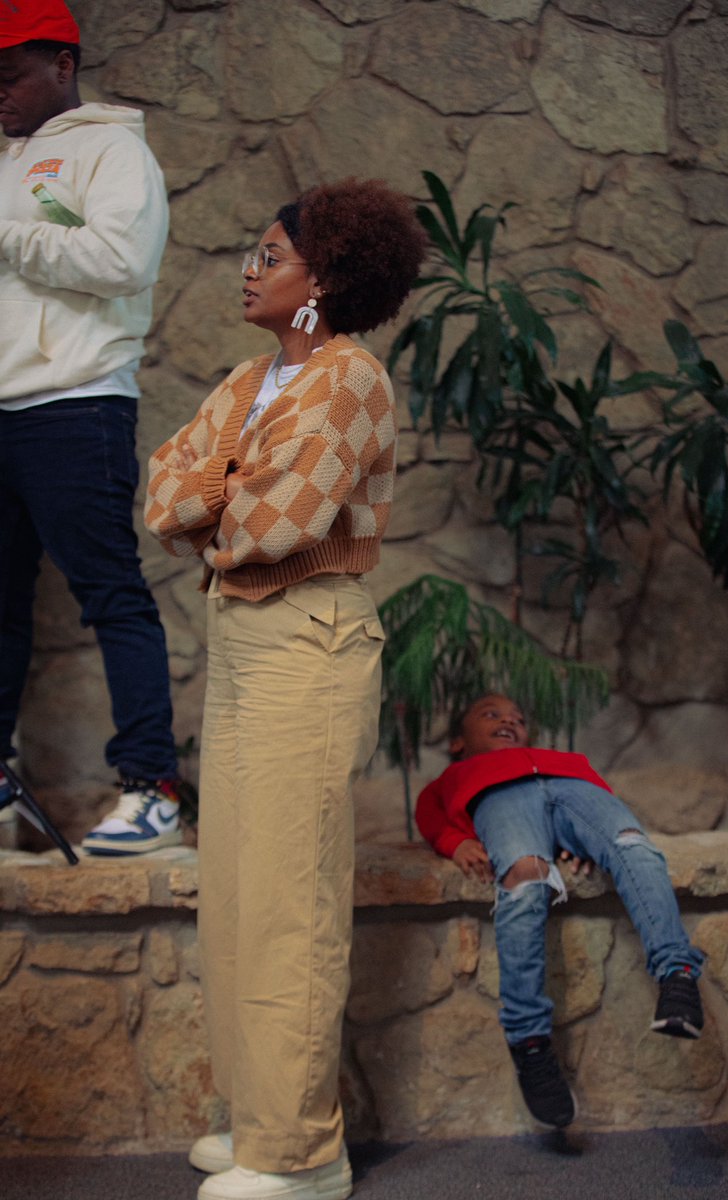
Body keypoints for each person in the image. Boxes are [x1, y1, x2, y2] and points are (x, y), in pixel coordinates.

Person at [144, 178, 426, 1200]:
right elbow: (162, 495)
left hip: (306, 635)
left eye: (271, 256)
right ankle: (252, 1120)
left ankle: (302, 1154)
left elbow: (270, 530)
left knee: (287, 900)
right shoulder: (247, 378)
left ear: (327, 277)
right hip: (240, 641)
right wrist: (232, 473)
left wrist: (218, 491)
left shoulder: (347, 380)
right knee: (232, 891)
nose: (250, 270)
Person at [0, 0, 185, 855]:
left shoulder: (114, 150)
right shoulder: (3, 157)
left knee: (111, 595)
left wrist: (9, 238)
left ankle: (151, 790)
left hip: (74, 403)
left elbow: (122, 262)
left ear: (61, 66)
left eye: (7, 77)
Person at [416, 693, 705, 1130]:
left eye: (517, 718)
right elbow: (428, 811)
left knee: (634, 847)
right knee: (525, 877)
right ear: (458, 742)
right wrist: (454, 843)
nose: (508, 721)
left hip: (577, 792)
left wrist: (582, 843)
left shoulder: (564, 760)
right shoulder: (459, 775)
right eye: (490, 715)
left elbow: (594, 816)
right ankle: (529, 1041)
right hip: (502, 800)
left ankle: (677, 977)